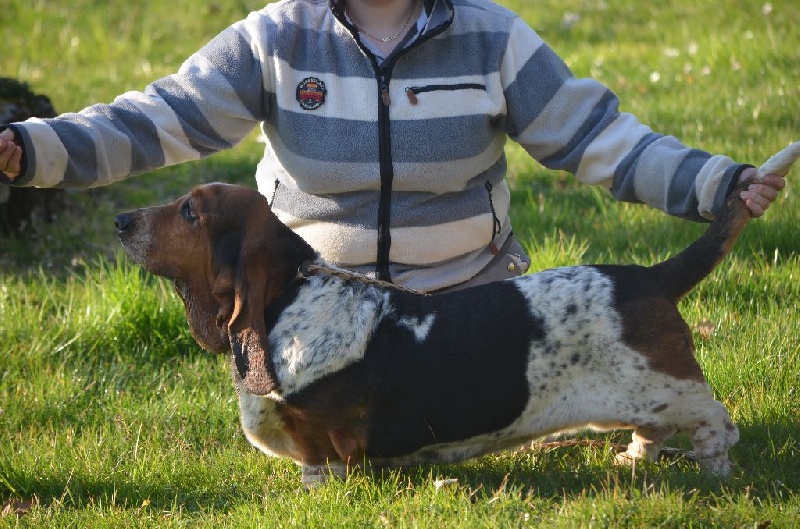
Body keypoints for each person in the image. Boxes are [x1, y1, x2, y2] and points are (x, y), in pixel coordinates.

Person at [0, 0, 785, 293]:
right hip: (307, 307)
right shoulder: (277, 37)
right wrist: (30, 147)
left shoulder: (492, 37)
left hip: (466, 305)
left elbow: (597, 136)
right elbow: (155, 119)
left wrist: (716, 183)